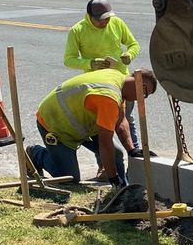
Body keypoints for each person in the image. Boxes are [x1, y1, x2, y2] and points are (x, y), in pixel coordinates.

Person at [26, 69, 157, 186]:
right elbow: (105, 143)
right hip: (56, 125)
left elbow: (121, 121)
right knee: (69, 178)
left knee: (116, 154)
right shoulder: (109, 97)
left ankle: (123, 188)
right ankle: (36, 154)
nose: (142, 100)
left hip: (80, 124)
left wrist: (132, 150)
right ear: (142, 87)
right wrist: (113, 178)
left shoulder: (118, 82)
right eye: (145, 95)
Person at [64, 0, 142, 163]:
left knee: (127, 120)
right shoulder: (77, 30)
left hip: (121, 81)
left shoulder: (116, 23)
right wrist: (90, 63)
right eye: (101, 19)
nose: (105, 22)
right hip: (97, 86)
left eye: (107, 18)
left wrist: (129, 56)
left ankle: (136, 160)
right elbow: (69, 60)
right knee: (101, 128)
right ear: (90, 16)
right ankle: (104, 165)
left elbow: (134, 44)